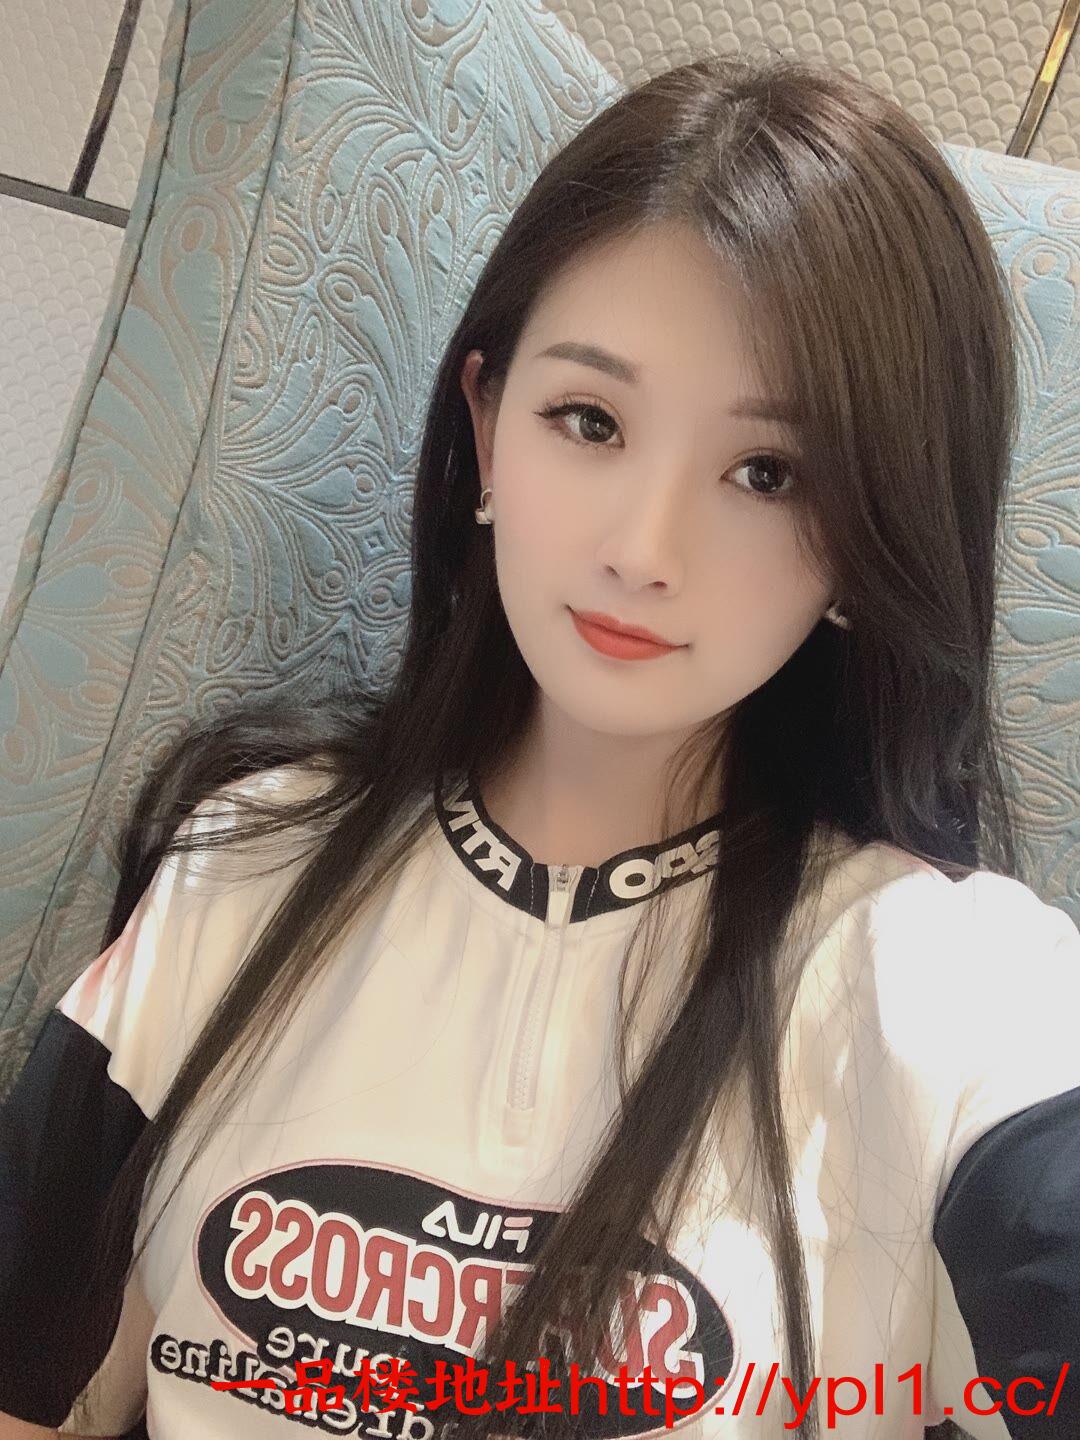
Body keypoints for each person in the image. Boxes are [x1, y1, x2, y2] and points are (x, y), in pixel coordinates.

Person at [1, 46, 1078, 1440]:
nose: (644, 548)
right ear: (487, 425)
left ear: (871, 539)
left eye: (767, 472)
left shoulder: (952, 990)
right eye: (590, 420)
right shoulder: (241, 871)